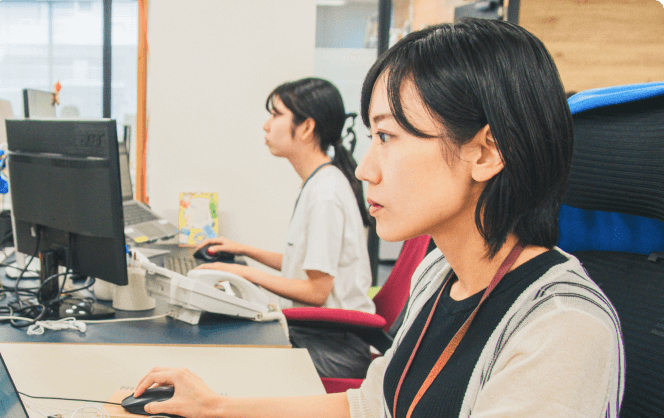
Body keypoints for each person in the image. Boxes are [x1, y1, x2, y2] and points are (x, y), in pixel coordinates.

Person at [133, 19, 625, 418]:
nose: (365, 169)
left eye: (388, 137)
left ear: (485, 152)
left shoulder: (561, 330)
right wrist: (216, 407)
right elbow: (371, 406)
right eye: (372, 137)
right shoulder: (440, 273)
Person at [194, 77, 376, 378]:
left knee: (224, 352)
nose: (266, 126)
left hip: (334, 348)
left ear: (306, 127)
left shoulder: (325, 194)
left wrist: (240, 272)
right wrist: (243, 250)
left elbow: (317, 291)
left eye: (276, 114)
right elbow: (305, 265)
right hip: (321, 335)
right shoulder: (319, 183)